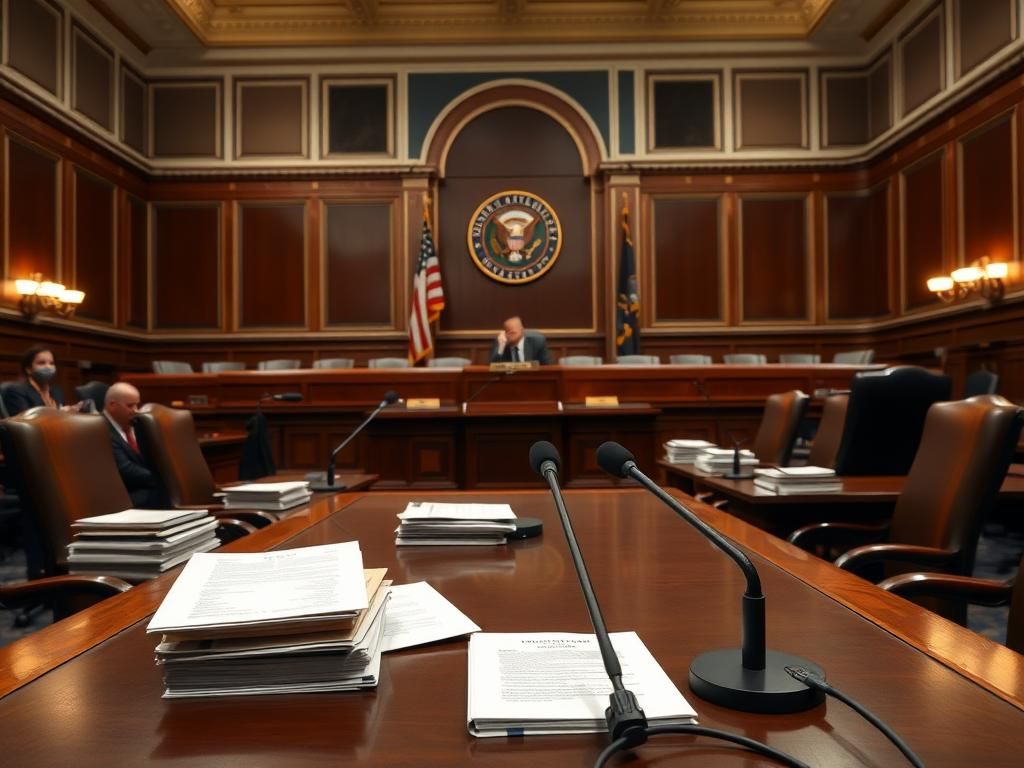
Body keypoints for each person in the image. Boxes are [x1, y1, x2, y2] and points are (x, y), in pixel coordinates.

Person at [103, 382, 168, 509]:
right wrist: (163, 479)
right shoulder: (100, 430)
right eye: (130, 406)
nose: (136, 411)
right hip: (123, 495)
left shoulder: (133, 425)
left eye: (137, 405)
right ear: (112, 405)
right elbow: (125, 470)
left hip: (143, 488)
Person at [3, 345, 82, 416]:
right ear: (28, 369)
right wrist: (59, 413)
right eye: (41, 363)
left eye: (51, 363)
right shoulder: (16, 391)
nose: (48, 367)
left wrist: (71, 411)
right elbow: (24, 423)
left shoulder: (57, 391)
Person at [488, 316, 553, 365]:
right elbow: (491, 367)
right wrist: (501, 347)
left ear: (522, 330)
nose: (509, 335)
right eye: (507, 332)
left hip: (532, 379)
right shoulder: (500, 342)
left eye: (513, 333)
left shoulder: (537, 341)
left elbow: (549, 366)